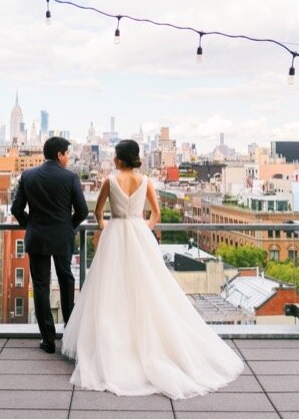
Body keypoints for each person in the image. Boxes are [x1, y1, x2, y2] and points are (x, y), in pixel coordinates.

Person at [62, 139, 244, 399]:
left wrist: (103, 226)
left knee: (110, 291)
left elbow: (99, 212)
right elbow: (156, 214)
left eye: (115, 155)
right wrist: (142, 228)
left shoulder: (109, 181)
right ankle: (147, 345)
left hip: (116, 234)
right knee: (149, 289)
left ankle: (115, 348)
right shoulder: (146, 181)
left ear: (119, 159)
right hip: (138, 233)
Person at [12, 136, 89, 354]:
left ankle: (48, 340)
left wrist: (31, 225)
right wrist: (67, 226)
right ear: (59, 155)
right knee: (66, 282)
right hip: (62, 238)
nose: (68, 158)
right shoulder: (70, 178)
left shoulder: (28, 176)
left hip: (37, 237)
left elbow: (16, 209)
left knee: (41, 287)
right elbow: (82, 211)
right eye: (67, 154)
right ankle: (70, 333)